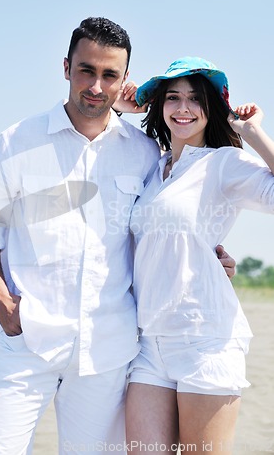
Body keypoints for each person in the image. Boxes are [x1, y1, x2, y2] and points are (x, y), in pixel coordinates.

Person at [0, 20, 235, 455]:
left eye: (110, 75)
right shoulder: (17, 141)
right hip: (25, 339)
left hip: (106, 352)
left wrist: (209, 255)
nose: (96, 85)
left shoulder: (144, 151)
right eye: (86, 70)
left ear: (124, 80)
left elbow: (162, 219)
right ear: (66, 67)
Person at [125, 57, 274, 454]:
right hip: (147, 342)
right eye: (172, 98)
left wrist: (253, 133)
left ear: (212, 106)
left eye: (195, 98)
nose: (184, 108)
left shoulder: (224, 163)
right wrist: (125, 105)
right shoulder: (152, 168)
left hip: (204, 338)